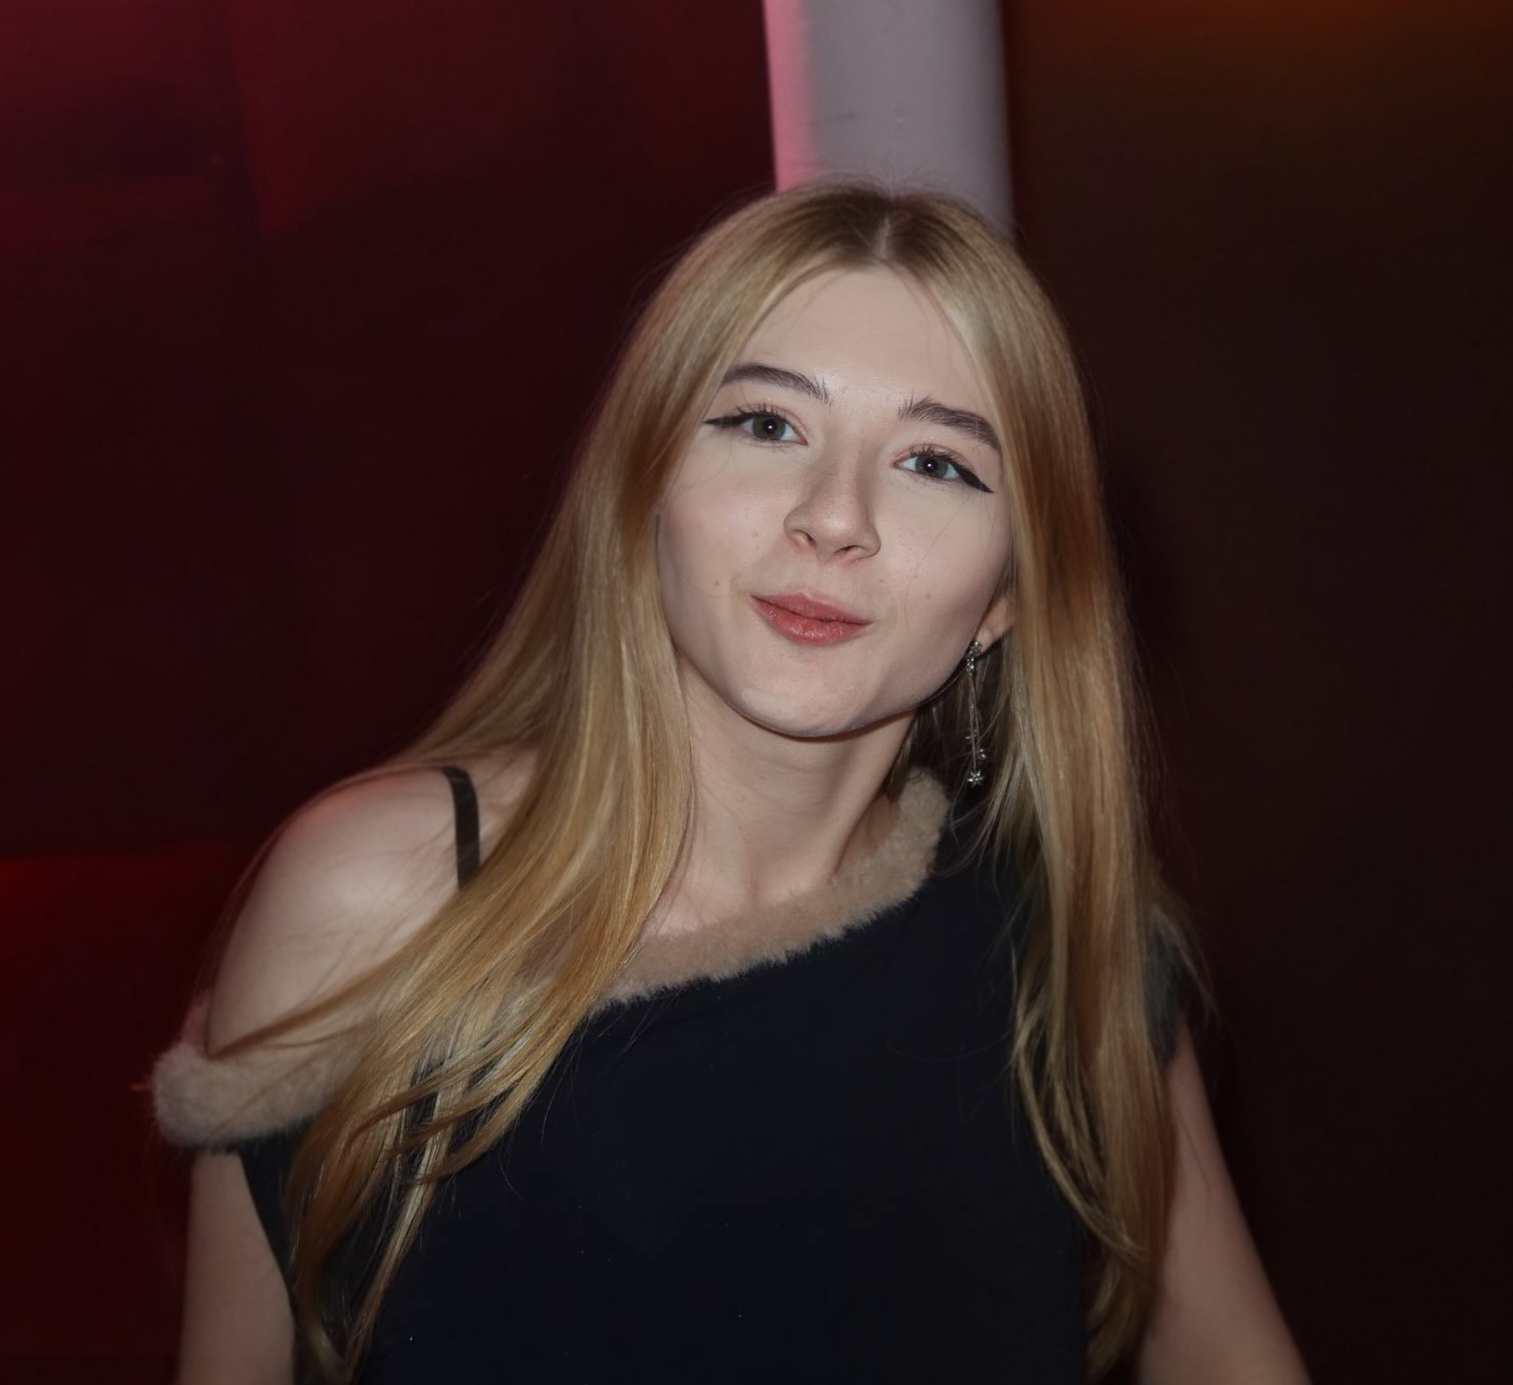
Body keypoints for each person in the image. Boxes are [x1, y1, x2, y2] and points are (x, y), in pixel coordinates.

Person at [155, 182, 1309, 1385]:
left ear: (1006, 594)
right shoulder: (379, 897)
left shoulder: (1063, 946)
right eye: (765, 424)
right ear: (643, 484)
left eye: (934, 461)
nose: (833, 518)